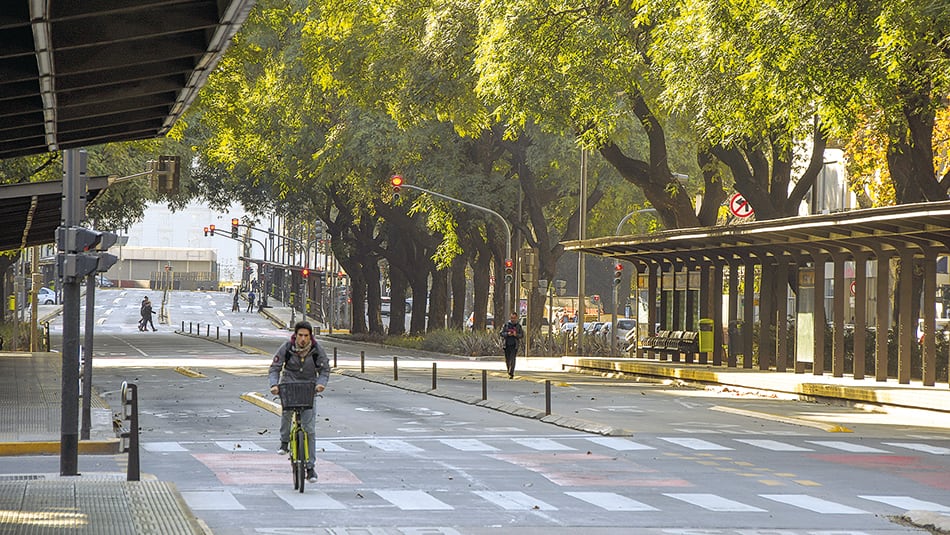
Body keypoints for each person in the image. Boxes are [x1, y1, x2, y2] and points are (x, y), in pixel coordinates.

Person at [268, 321, 329, 484]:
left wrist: (321, 384)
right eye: (300, 335)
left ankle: (310, 468)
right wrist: (274, 385)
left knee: (309, 428)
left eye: (306, 336)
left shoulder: (316, 350)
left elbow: (324, 369)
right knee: (287, 413)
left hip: (309, 387)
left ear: (311, 337)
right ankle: (284, 442)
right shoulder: (287, 348)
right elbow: (275, 368)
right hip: (289, 384)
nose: (303, 339)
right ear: (295, 335)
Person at [499, 312, 524, 379]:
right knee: (507, 359)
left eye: (514, 318)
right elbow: (501, 333)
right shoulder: (506, 325)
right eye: (512, 318)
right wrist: (507, 334)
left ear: (516, 318)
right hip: (506, 344)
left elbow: (521, 335)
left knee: (512, 359)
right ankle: (508, 370)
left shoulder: (518, 326)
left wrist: (516, 335)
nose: (513, 319)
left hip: (514, 345)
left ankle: (511, 372)